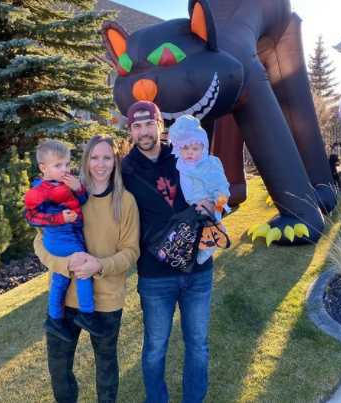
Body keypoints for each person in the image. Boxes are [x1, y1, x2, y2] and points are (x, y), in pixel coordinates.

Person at [33, 134, 140, 403]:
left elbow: (131, 252)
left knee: (106, 367)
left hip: (106, 302)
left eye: (107, 157)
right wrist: (64, 264)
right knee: (59, 369)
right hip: (66, 298)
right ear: (85, 160)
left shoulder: (125, 201)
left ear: (115, 162)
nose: (100, 164)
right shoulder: (63, 193)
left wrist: (100, 265)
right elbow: (40, 241)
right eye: (94, 157)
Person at [122, 101, 215, 403]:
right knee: (154, 347)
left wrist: (213, 204)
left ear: (161, 125)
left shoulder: (185, 154)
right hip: (155, 274)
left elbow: (214, 184)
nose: (144, 131)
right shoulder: (125, 170)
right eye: (137, 126)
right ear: (130, 131)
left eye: (149, 123)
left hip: (198, 271)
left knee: (198, 344)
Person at [25, 139, 103, 340]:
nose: (64, 169)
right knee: (83, 269)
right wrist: (60, 218)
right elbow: (31, 217)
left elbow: (83, 202)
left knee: (60, 278)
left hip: (70, 234)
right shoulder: (39, 191)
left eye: (67, 164)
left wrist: (78, 188)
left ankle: (54, 319)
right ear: (43, 167)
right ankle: (87, 314)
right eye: (58, 165)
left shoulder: (65, 183)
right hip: (60, 237)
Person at [168, 114, 230, 263]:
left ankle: (209, 248)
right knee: (194, 231)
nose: (190, 152)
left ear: (203, 147)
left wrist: (218, 203)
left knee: (210, 228)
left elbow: (219, 183)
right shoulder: (181, 164)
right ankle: (194, 252)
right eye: (185, 148)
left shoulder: (208, 164)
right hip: (192, 205)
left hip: (207, 201)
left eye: (195, 148)